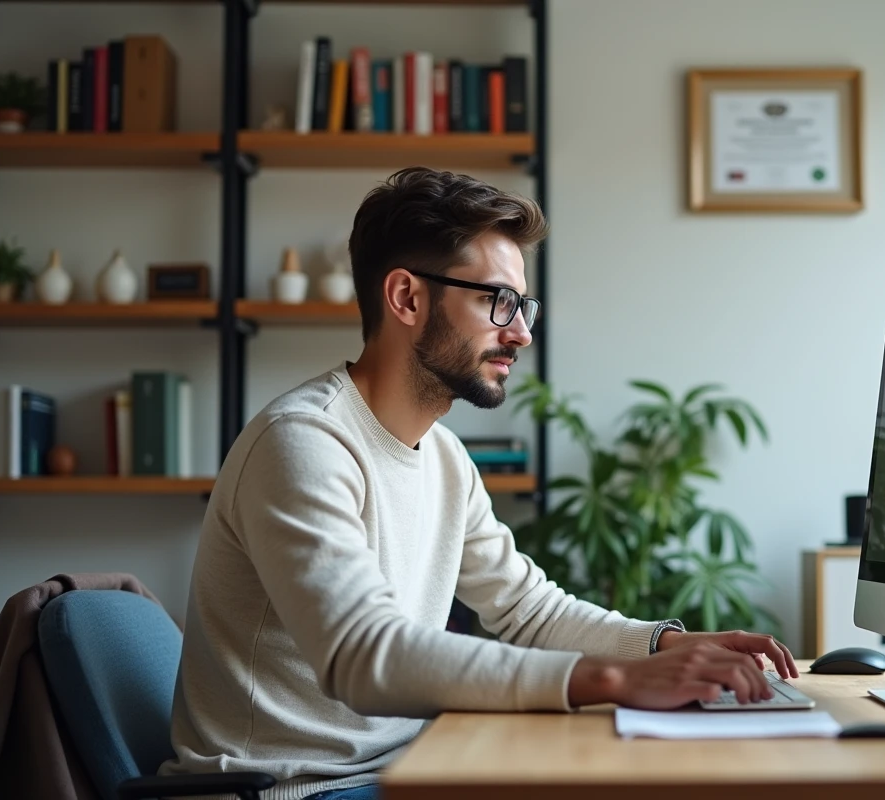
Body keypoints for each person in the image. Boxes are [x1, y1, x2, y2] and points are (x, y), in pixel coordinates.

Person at [159, 167, 797, 800]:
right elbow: (361, 655)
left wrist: (664, 645)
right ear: (407, 298)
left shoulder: (444, 457)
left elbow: (527, 608)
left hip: (403, 769)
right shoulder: (303, 442)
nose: (521, 332)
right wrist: (612, 681)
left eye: (523, 306)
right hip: (294, 790)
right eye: (498, 301)